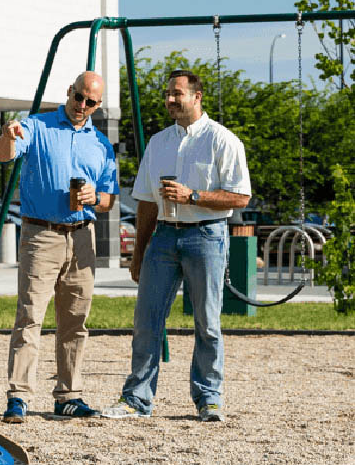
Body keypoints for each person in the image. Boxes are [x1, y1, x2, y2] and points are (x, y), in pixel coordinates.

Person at [102, 69, 250, 423]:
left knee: (207, 322)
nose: (170, 99)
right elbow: (147, 202)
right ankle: (137, 399)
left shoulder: (222, 140)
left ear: (197, 97)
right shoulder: (159, 143)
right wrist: (138, 254)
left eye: (177, 93)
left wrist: (192, 195)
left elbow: (240, 197)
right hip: (164, 238)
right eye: (168, 93)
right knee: (146, 320)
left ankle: (209, 398)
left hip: (207, 235)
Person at [0, 71, 119, 423]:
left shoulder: (101, 145)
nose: (82, 105)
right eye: (78, 96)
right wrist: (6, 136)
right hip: (41, 234)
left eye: (90, 102)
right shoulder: (38, 126)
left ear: (98, 105)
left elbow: (111, 200)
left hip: (83, 235)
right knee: (30, 315)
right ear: (69, 91)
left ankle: (69, 394)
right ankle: (18, 396)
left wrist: (98, 197)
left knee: (76, 320)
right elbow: (4, 155)